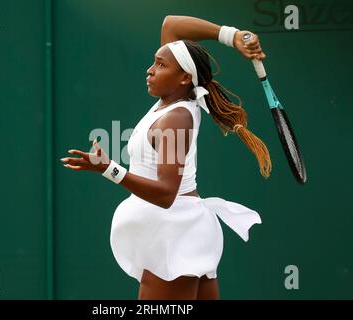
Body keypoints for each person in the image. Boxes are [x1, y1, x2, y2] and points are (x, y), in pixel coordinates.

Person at [61, 15, 272, 300]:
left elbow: (166, 194)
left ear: (184, 77)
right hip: (179, 233)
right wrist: (231, 36)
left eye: (161, 65)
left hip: (174, 237)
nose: (150, 70)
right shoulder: (171, 100)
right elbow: (171, 24)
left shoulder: (176, 118)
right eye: (154, 61)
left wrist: (108, 168)